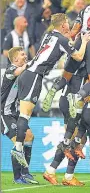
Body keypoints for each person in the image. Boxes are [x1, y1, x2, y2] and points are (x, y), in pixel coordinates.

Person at [11, 13, 90, 167]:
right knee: (25, 115)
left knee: (24, 114)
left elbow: (66, 43)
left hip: (27, 73)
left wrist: (73, 38)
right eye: (67, 23)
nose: (69, 26)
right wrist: (85, 41)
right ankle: (18, 148)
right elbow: (79, 56)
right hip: (35, 75)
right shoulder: (62, 40)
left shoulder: (49, 35)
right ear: (63, 25)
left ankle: (19, 149)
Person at [1, 46, 38, 184]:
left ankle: (25, 172)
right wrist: (34, 61)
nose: (25, 56)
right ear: (15, 58)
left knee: (29, 136)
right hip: (4, 114)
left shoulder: (22, 72)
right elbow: (20, 70)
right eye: (22, 54)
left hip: (15, 113)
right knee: (19, 141)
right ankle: (17, 177)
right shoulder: (11, 70)